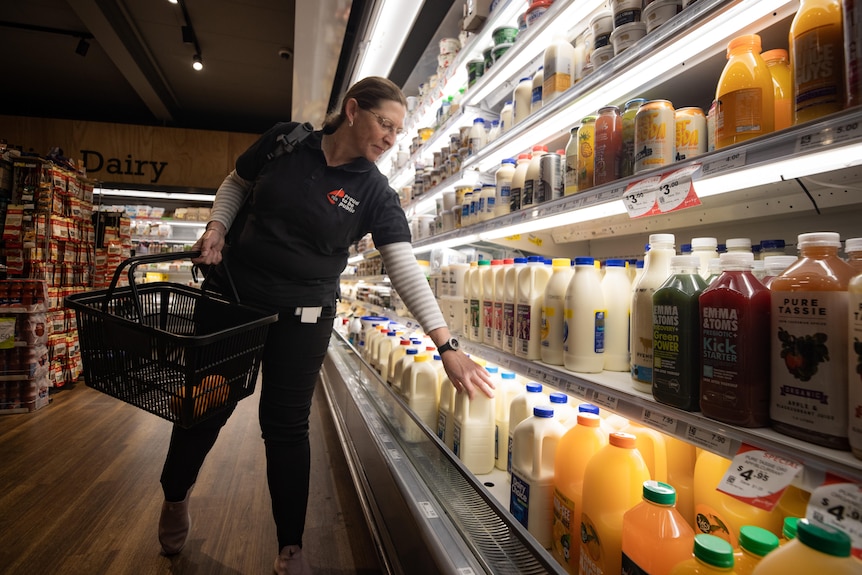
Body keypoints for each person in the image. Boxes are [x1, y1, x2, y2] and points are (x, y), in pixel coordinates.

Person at [156, 76, 495, 575]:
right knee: (205, 404)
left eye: (398, 132)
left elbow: (401, 265)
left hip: (306, 315)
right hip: (232, 301)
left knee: (286, 426)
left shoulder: (375, 191)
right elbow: (236, 182)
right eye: (386, 124)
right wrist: (217, 226)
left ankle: (290, 545)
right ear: (353, 110)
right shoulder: (285, 141)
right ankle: (175, 495)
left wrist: (447, 344)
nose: (391, 138)